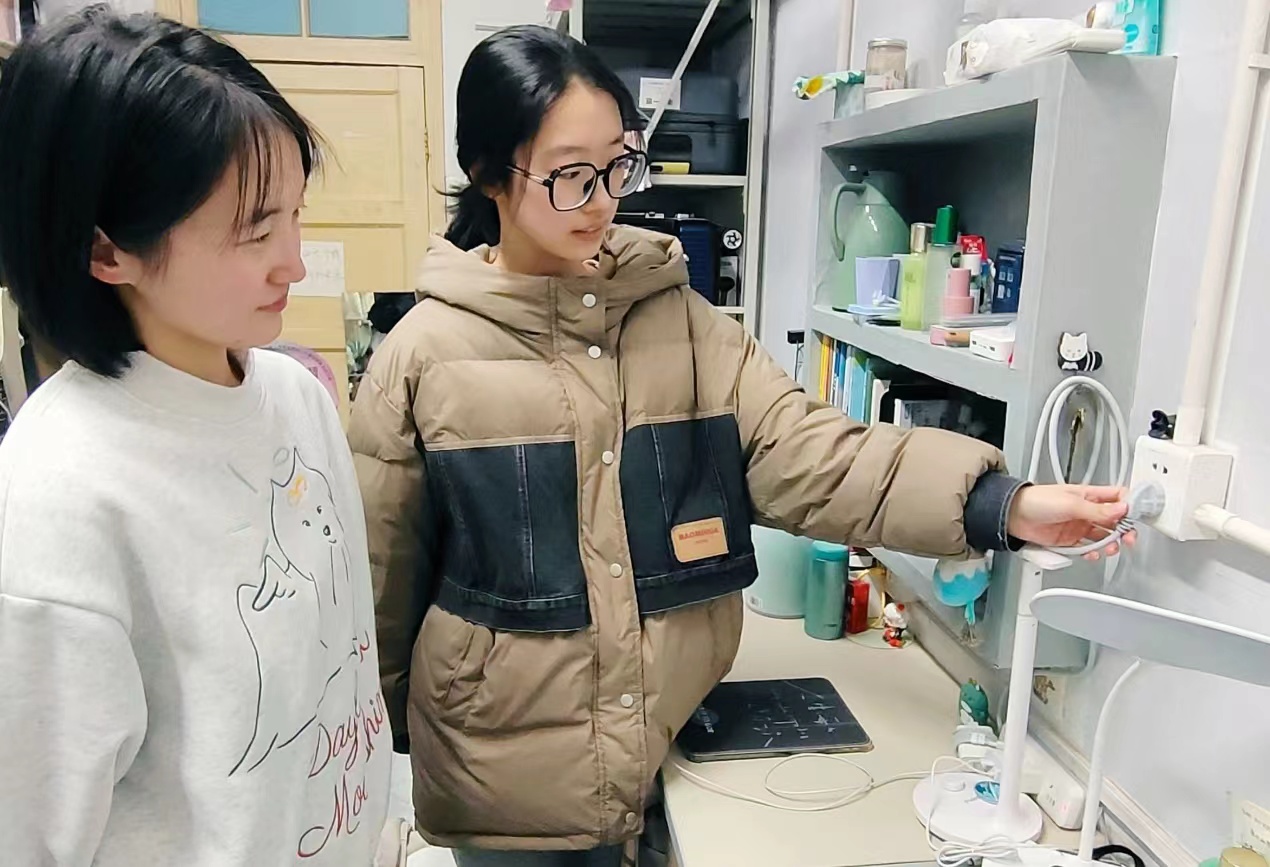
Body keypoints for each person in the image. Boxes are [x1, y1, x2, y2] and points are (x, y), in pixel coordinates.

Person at [349, 25, 1128, 866]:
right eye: (572, 176)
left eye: (618, 165)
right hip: (502, 779)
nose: (604, 201)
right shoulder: (423, 355)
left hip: (667, 745)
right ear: (488, 172)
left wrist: (1001, 505)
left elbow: (810, 452)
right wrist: (395, 724)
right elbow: (381, 579)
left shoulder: (682, 324)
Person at [0, 9, 395, 866]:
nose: (294, 261)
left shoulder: (297, 397)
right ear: (107, 251)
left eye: (294, 215)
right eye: (254, 231)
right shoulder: (57, 497)